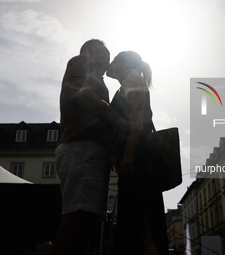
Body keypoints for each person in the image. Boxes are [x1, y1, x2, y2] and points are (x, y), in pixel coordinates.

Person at [51, 39, 124, 255]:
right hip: (82, 148)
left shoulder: (98, 78)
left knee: (86, 222)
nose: (108, 59)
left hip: (89, 151)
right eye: (105, 53)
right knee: (77, 218)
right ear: (90, 51)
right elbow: (75, 86)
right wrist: (111, 113)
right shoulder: (81, 61)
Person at [106, 51, 168, 255]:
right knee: (140, 215)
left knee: (140, 215)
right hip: (136, 158)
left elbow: (137, 119)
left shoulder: (132, 77)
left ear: (122, 63)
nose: (109, 63)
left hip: (138, 158)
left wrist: (129, 154)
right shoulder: (127, 82)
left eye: (113, 60)